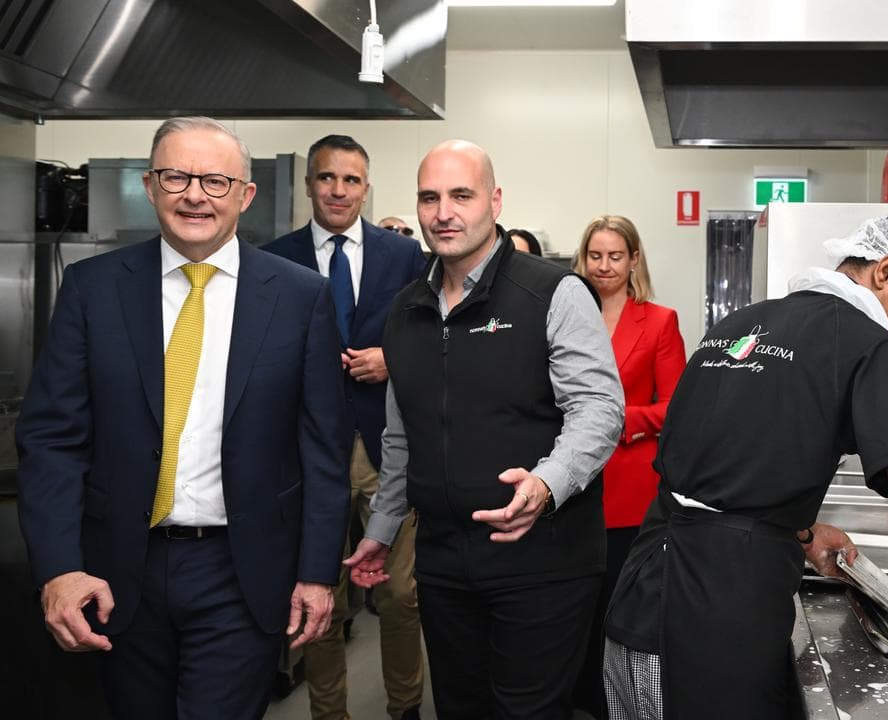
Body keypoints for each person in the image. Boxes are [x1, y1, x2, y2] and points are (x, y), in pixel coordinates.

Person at [15, 116, 350, 719]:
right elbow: (51, 440)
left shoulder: (301, 296)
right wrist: (59, 568)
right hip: (116, 570)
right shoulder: (92, 289)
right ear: (150, 187)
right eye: (177, 177)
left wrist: (318, 573)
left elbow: (322, 447)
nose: (195, 195)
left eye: (217, 181)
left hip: (242, 572)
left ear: (245, 196)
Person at [603, 213, 888, 719]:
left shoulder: (740, 323)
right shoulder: (871, 344)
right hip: (718, 618)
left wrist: (798, 532)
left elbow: (721, 475)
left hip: (638, 601)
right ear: (886, 271)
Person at [345, 139, 624, 719]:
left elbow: (599, 408)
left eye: (461, 195)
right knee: (461, 708)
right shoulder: (406, 310)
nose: (443, 212)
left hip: (543, 558)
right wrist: (383, 528)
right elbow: (403, 436)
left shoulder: (552, 291)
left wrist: (546, 484)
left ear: (494, 200)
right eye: (429, 197)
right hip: (444, 561)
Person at [264, 135, 428, 720]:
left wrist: (393, 358)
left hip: (387, 448)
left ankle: (406, 706)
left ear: (366, 187)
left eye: (351, 180)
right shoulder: (273, 257)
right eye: (327, 178)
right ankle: (329, 713)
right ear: (310, 183)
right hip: (307, 452)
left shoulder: (404, 256)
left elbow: (429, 339)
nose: (338, 190)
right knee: (317, 600)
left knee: (400, 594)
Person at [570, 215, 685, 718]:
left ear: (634, 259)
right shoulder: (564, 315)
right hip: (569, 486)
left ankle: (612, 702)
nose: (604, 266)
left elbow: (676, 406)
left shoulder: (659, 320)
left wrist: (616, 421)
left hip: (628, 487)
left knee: (617, 605)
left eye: (615, 256)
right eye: (595, 256)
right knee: (574, 605)